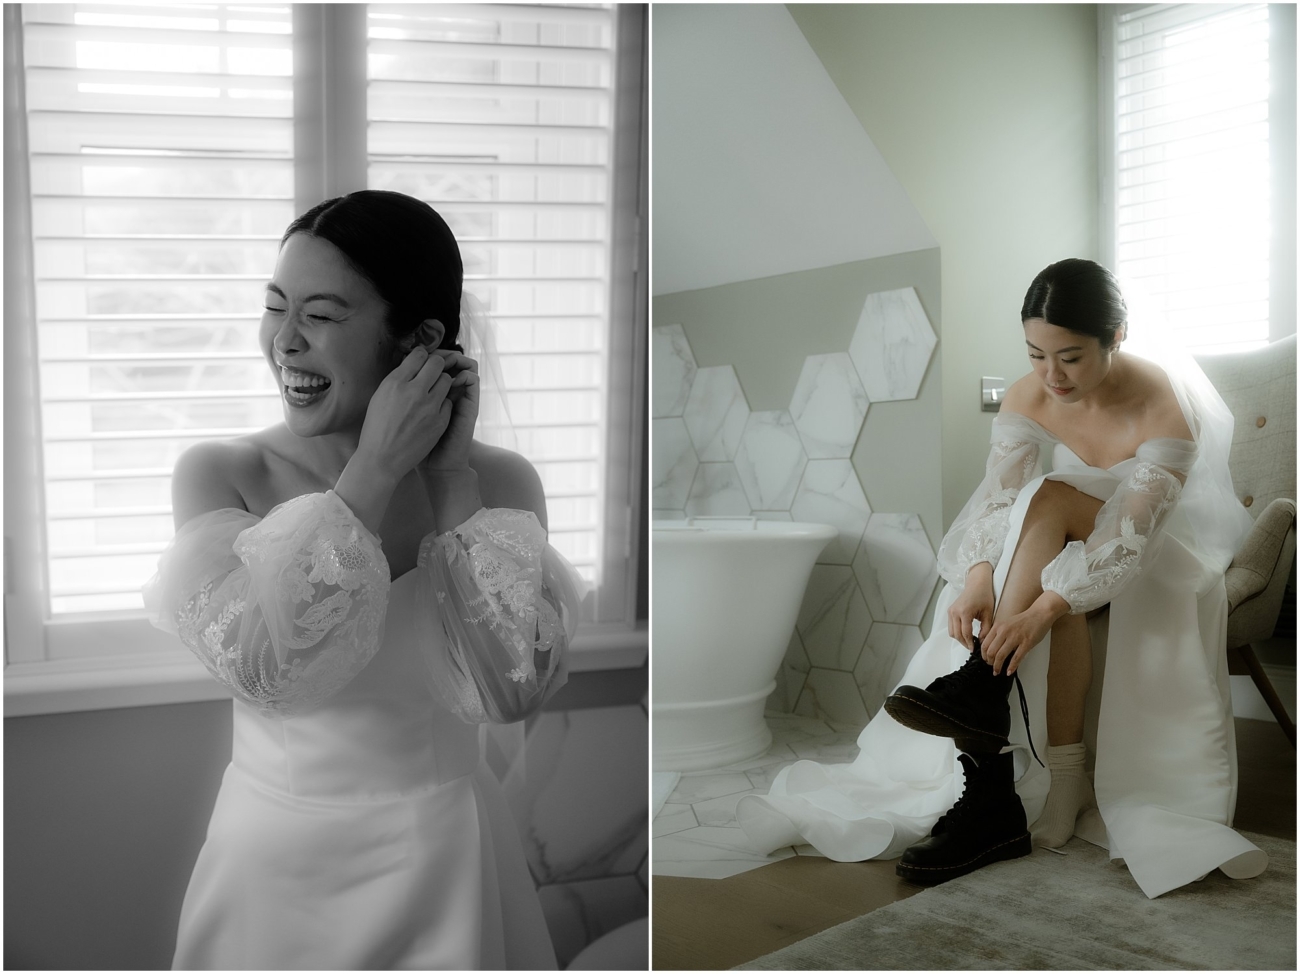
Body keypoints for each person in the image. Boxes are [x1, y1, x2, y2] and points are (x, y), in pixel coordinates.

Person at [143, 190, 583, 969]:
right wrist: (371, 472)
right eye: (275, 307)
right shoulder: (223, 475)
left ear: (418, 341)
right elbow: (268, 670)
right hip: (274, 875)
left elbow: (511, 695)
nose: (284, 341)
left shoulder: (500, 485)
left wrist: (450, 480)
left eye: (319, 314)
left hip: (450, 859)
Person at [737, 258, 1268, 899]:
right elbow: (996, 501)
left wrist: (1040, 609)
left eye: (1070, 357)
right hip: (1068, 538)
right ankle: (1025, 764)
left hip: (1159, 553)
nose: (1051, 375)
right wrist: (976, 580)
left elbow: (1132, 536)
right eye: (1035, 353)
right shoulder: (1028, 393)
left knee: (1048, 505)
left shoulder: (1163, 404)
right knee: (1032, 514)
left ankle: (982, 733)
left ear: (1117, 334)